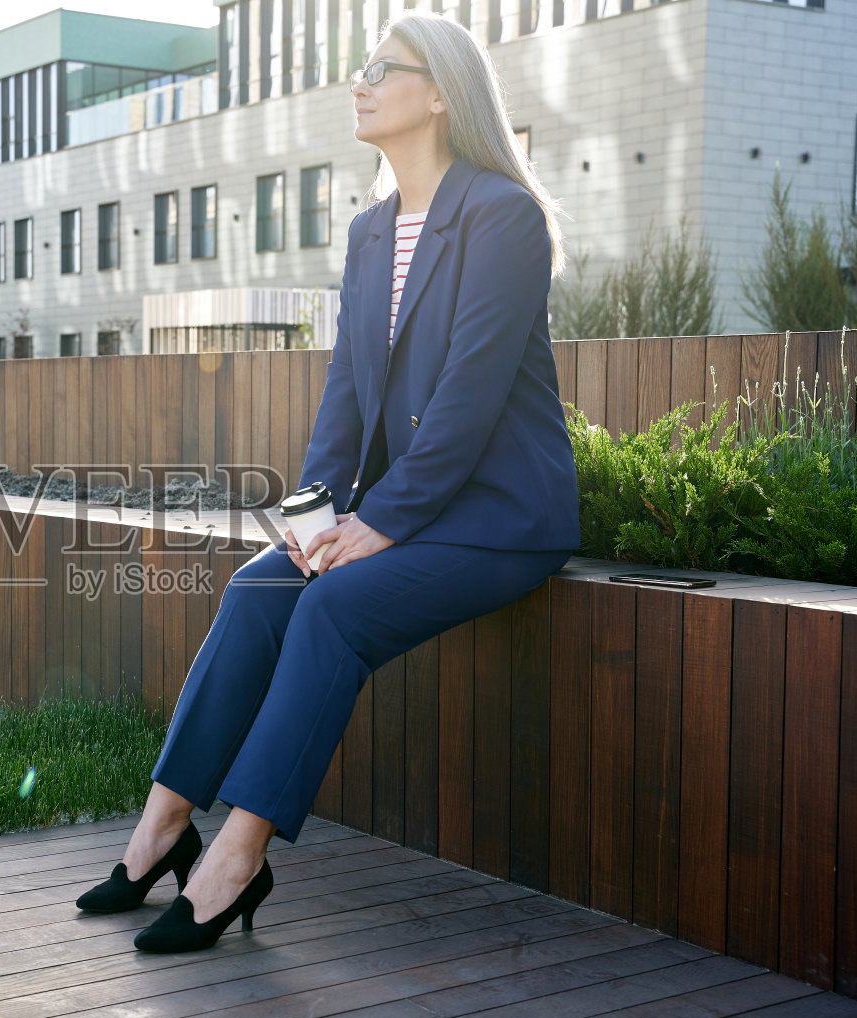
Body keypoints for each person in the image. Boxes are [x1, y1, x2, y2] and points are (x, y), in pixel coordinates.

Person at [75, 10, 581, 953]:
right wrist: (312, 519)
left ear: (439, 93)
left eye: (380, 68)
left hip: (501, 517)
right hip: (417, 513)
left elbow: (468, 401)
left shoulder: (503, 218)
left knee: (332, 608)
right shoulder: (369, 231)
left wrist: (380, 523)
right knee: (261, 587)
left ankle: (239, 858)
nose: (360, 81)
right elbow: (346, 395)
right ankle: (162, 829)